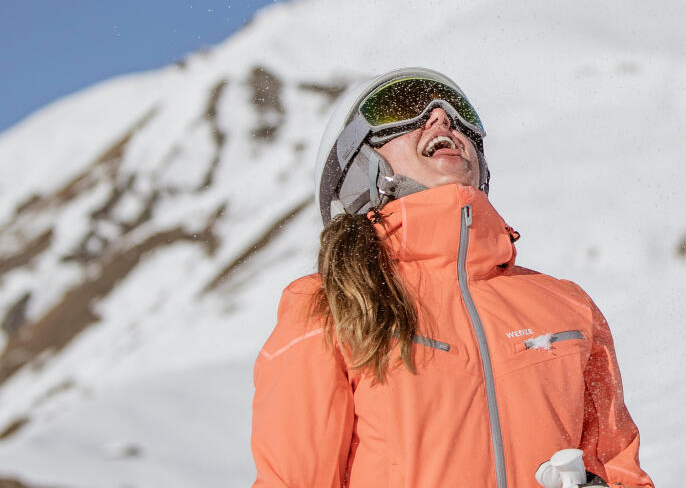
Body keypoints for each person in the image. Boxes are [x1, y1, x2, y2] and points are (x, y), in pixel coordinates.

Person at [252, 68, 654, 488]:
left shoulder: (565, 305)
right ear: (359, 162)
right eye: (401, 107)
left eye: (459, 113)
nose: (441, 118)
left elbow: (617, 464)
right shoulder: (327, 305)